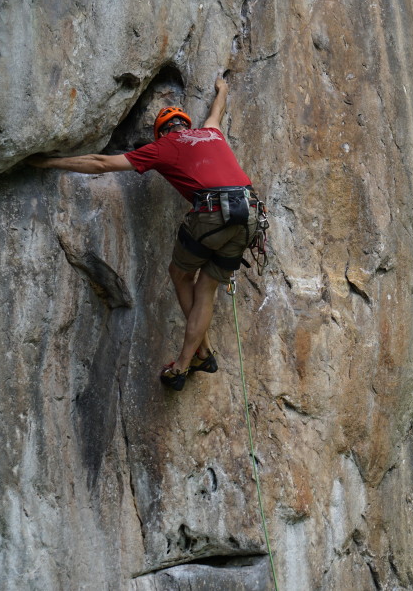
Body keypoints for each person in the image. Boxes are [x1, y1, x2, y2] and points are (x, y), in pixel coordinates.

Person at [30, 76, 257, 391]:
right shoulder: (210, 133)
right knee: (206, 289)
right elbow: (216, 113)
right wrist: (223, 90)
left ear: (161, 132)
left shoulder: (164, 146)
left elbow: (100, 163)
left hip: (214, 213)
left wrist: (47, 161)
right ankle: (200, 354)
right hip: (251, 214)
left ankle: (183, 364)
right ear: (186, 125)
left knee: (180, 274)